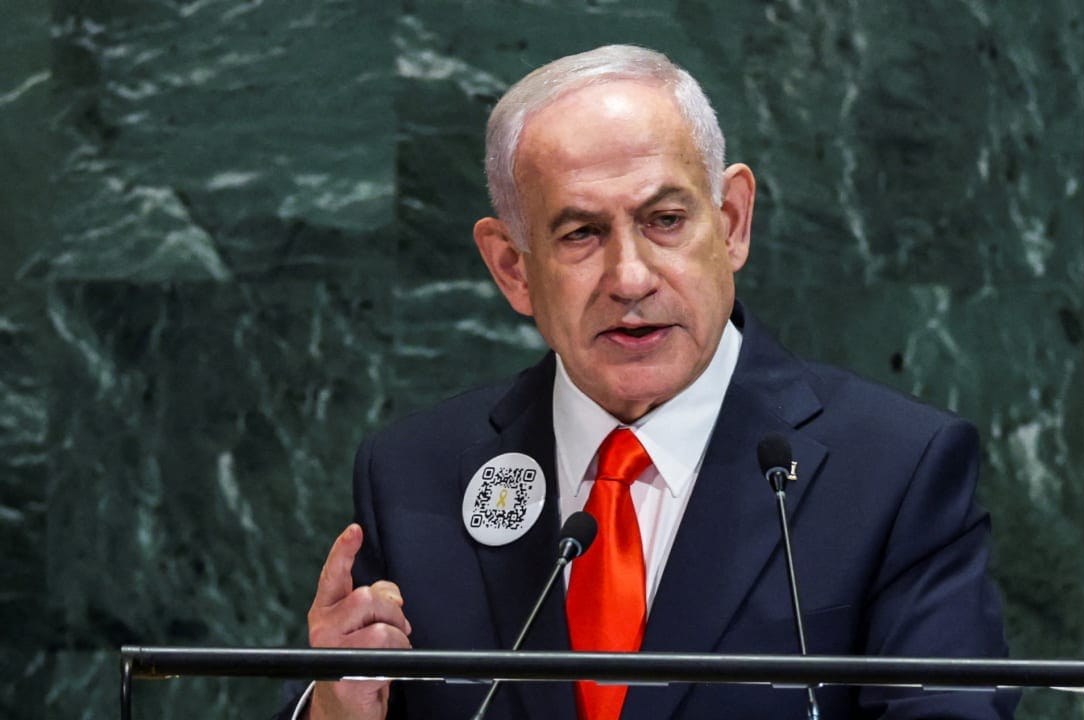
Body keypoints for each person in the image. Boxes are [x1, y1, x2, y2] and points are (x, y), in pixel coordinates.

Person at [285, 44, 1016, 720]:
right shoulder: (416, 475)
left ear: (731, 222)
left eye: (665, 220)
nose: (630, 278)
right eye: (580, 234)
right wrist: (335, 712)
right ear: (512, 267)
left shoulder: (895, 469)